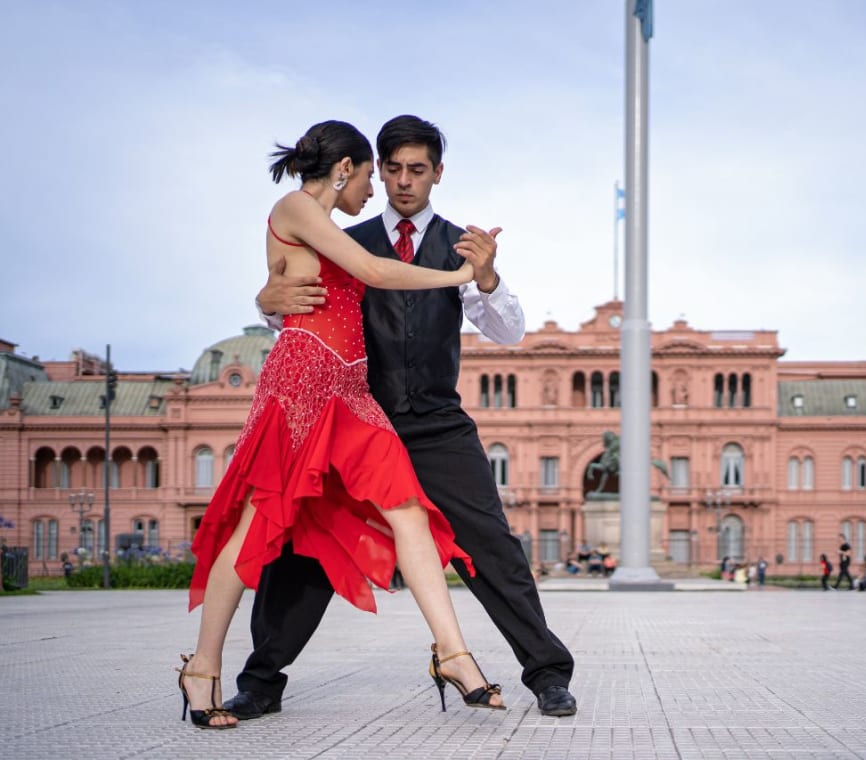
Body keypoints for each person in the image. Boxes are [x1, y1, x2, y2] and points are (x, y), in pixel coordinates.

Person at [231, 115, 577, 720]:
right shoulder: (342, 234)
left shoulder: (461, 246)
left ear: (438, 173)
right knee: (304, 548)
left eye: (417, 169)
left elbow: (509, 331)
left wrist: (488, 276)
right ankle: (261, 680)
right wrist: (266, 298)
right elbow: (292, 304)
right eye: (391, 169)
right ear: (375, 170)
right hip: (355, 417)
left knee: (491, 545)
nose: (403, 181)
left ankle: (547, 673)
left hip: (436, 423)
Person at [177, 121, 509, 729]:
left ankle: (455, 654)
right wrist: (459, 277)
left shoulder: (320, 224)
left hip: (351, 391)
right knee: (257, 526)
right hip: (304, 384)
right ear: (347, 168)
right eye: (368, 177)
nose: (374, 193)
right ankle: (202, 666)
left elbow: (298, 280)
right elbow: (374, 273)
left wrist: (266, 293)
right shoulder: (297, 207)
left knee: (407, 508)